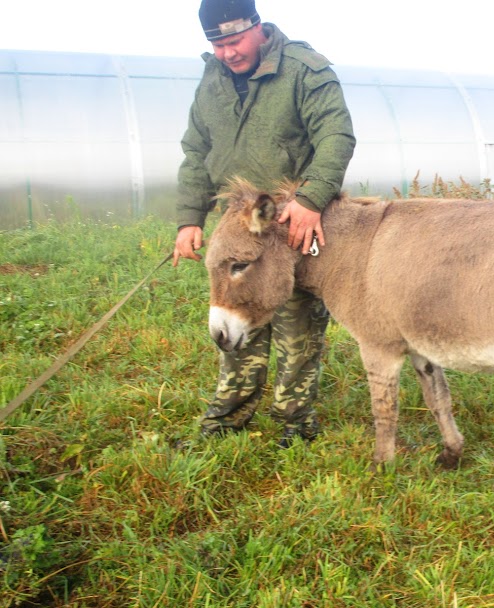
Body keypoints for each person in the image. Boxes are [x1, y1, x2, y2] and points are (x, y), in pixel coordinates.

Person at [172, 0, 356, 446]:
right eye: (216, 44)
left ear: (256, 28)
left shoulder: (304, 70)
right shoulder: (212, 78)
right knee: (236, 314)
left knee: (298, 329)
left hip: (294, 221)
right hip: (237, 225)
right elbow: (197, 151)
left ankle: (296, 423)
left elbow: (337, 136)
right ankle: (226, 420)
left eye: (233, 41)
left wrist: (311, 199)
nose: (226, 53)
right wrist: (188, 219)